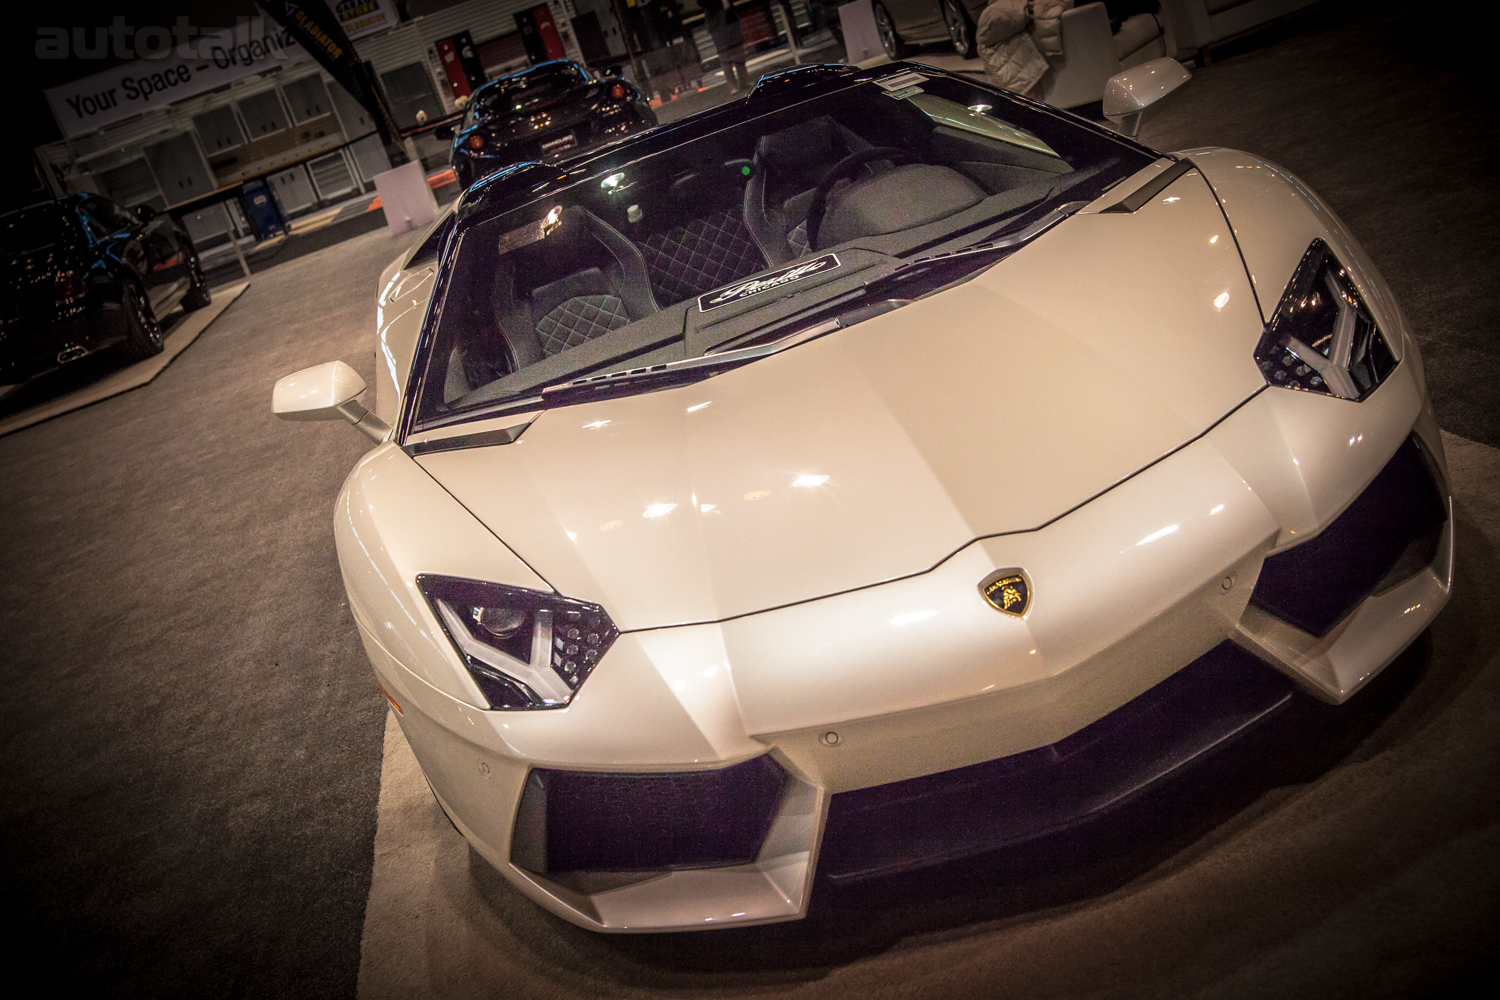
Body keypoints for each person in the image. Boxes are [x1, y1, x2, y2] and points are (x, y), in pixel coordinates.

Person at [701, 0, 752, 93]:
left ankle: (744, 81)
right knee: (725, 56)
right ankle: (733, 86)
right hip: (717, 23)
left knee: (739, 52)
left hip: (730, 18)